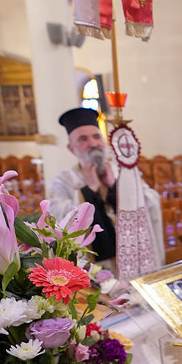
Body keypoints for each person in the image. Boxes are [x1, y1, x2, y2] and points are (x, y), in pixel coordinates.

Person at [50, 107, 163, 272]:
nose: (93, 143)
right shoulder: (63, 181)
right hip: (95, 268)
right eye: (83, 139)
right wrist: (88, 190)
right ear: (71, 148)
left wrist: (115, 186)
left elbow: (152, 202)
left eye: (96, 136)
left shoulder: (123, 172)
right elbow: (58, 220)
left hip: (133, 259)